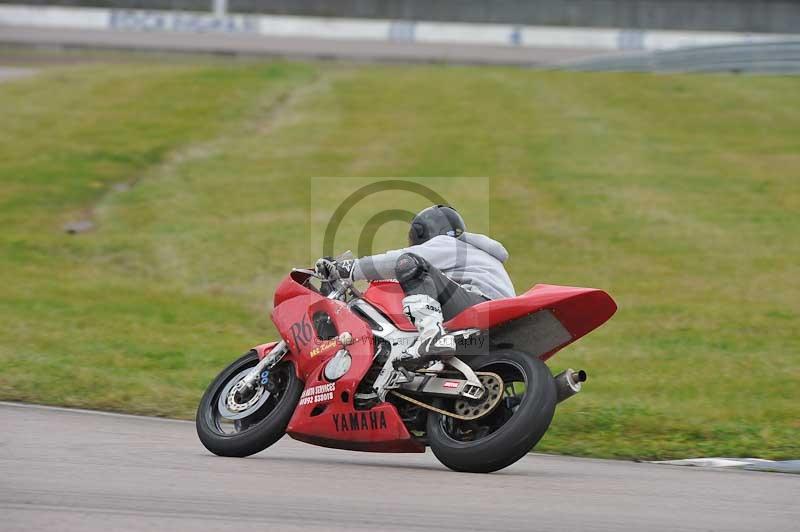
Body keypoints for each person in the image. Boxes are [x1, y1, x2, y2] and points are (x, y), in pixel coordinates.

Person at [322, 205, 515, 369]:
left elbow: (397, 260)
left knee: (408, 262)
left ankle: (431, 337)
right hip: (498, 326)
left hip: (478, 308)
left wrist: (349, 268)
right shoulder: (480, 255)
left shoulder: (449, 244)